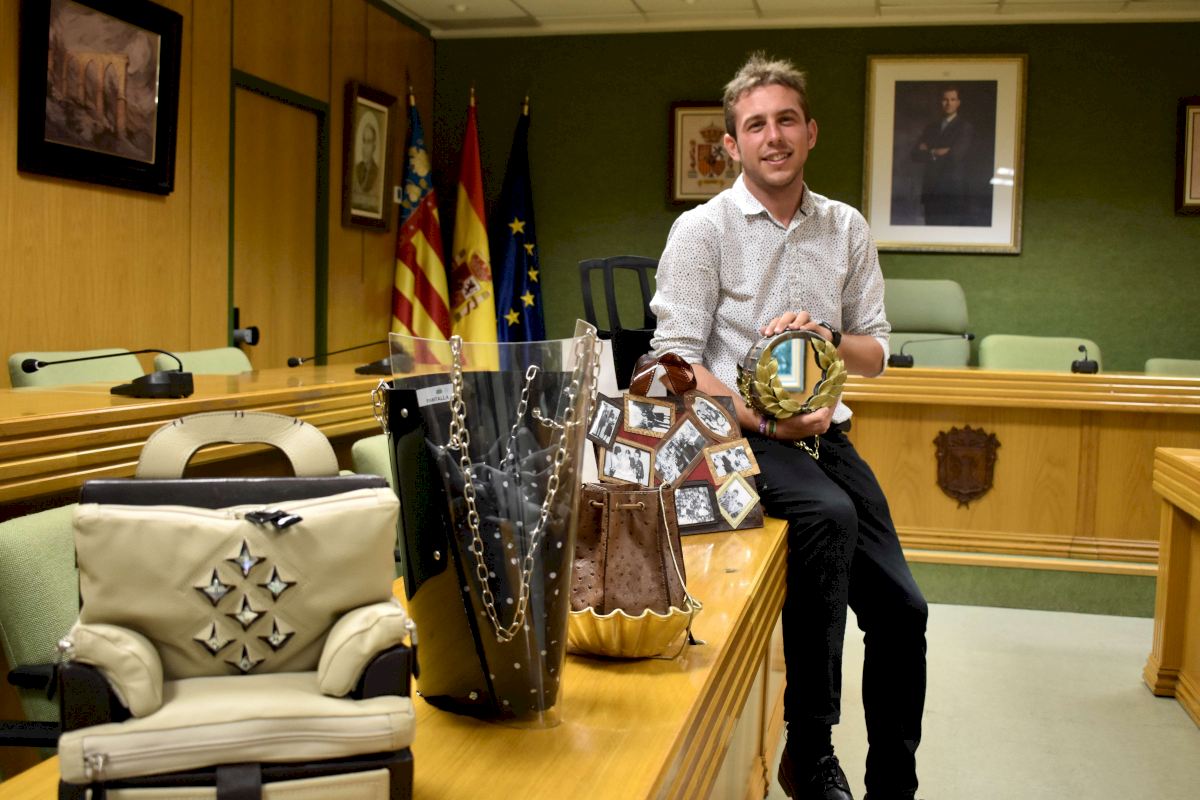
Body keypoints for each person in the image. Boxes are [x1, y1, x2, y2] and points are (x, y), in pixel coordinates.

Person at [650, 53, 927, 800]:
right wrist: (755, 417)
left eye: (785, 121)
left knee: (905, 611)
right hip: (739, 437)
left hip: (827, 437)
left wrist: (828, 337)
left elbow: (876, 354)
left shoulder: (846, 227)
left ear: (810, 132)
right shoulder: (702, 230)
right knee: (828, 515)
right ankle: (809, 749)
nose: (772, 136)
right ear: (732, 144)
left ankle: (894, 785)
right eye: (754, 126)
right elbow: (675, 359)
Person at [911, 86, 973, 225]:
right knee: (931, 230)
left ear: (958, 103)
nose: (948, 103)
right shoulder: (931, 127)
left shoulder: (964, 127)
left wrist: (928, 150)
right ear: (940, 102)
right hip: (931, 190)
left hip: (952, 191)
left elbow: (955, 156)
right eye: (945, 99)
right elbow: (915, 154)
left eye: (952, 99)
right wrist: (936, 152)